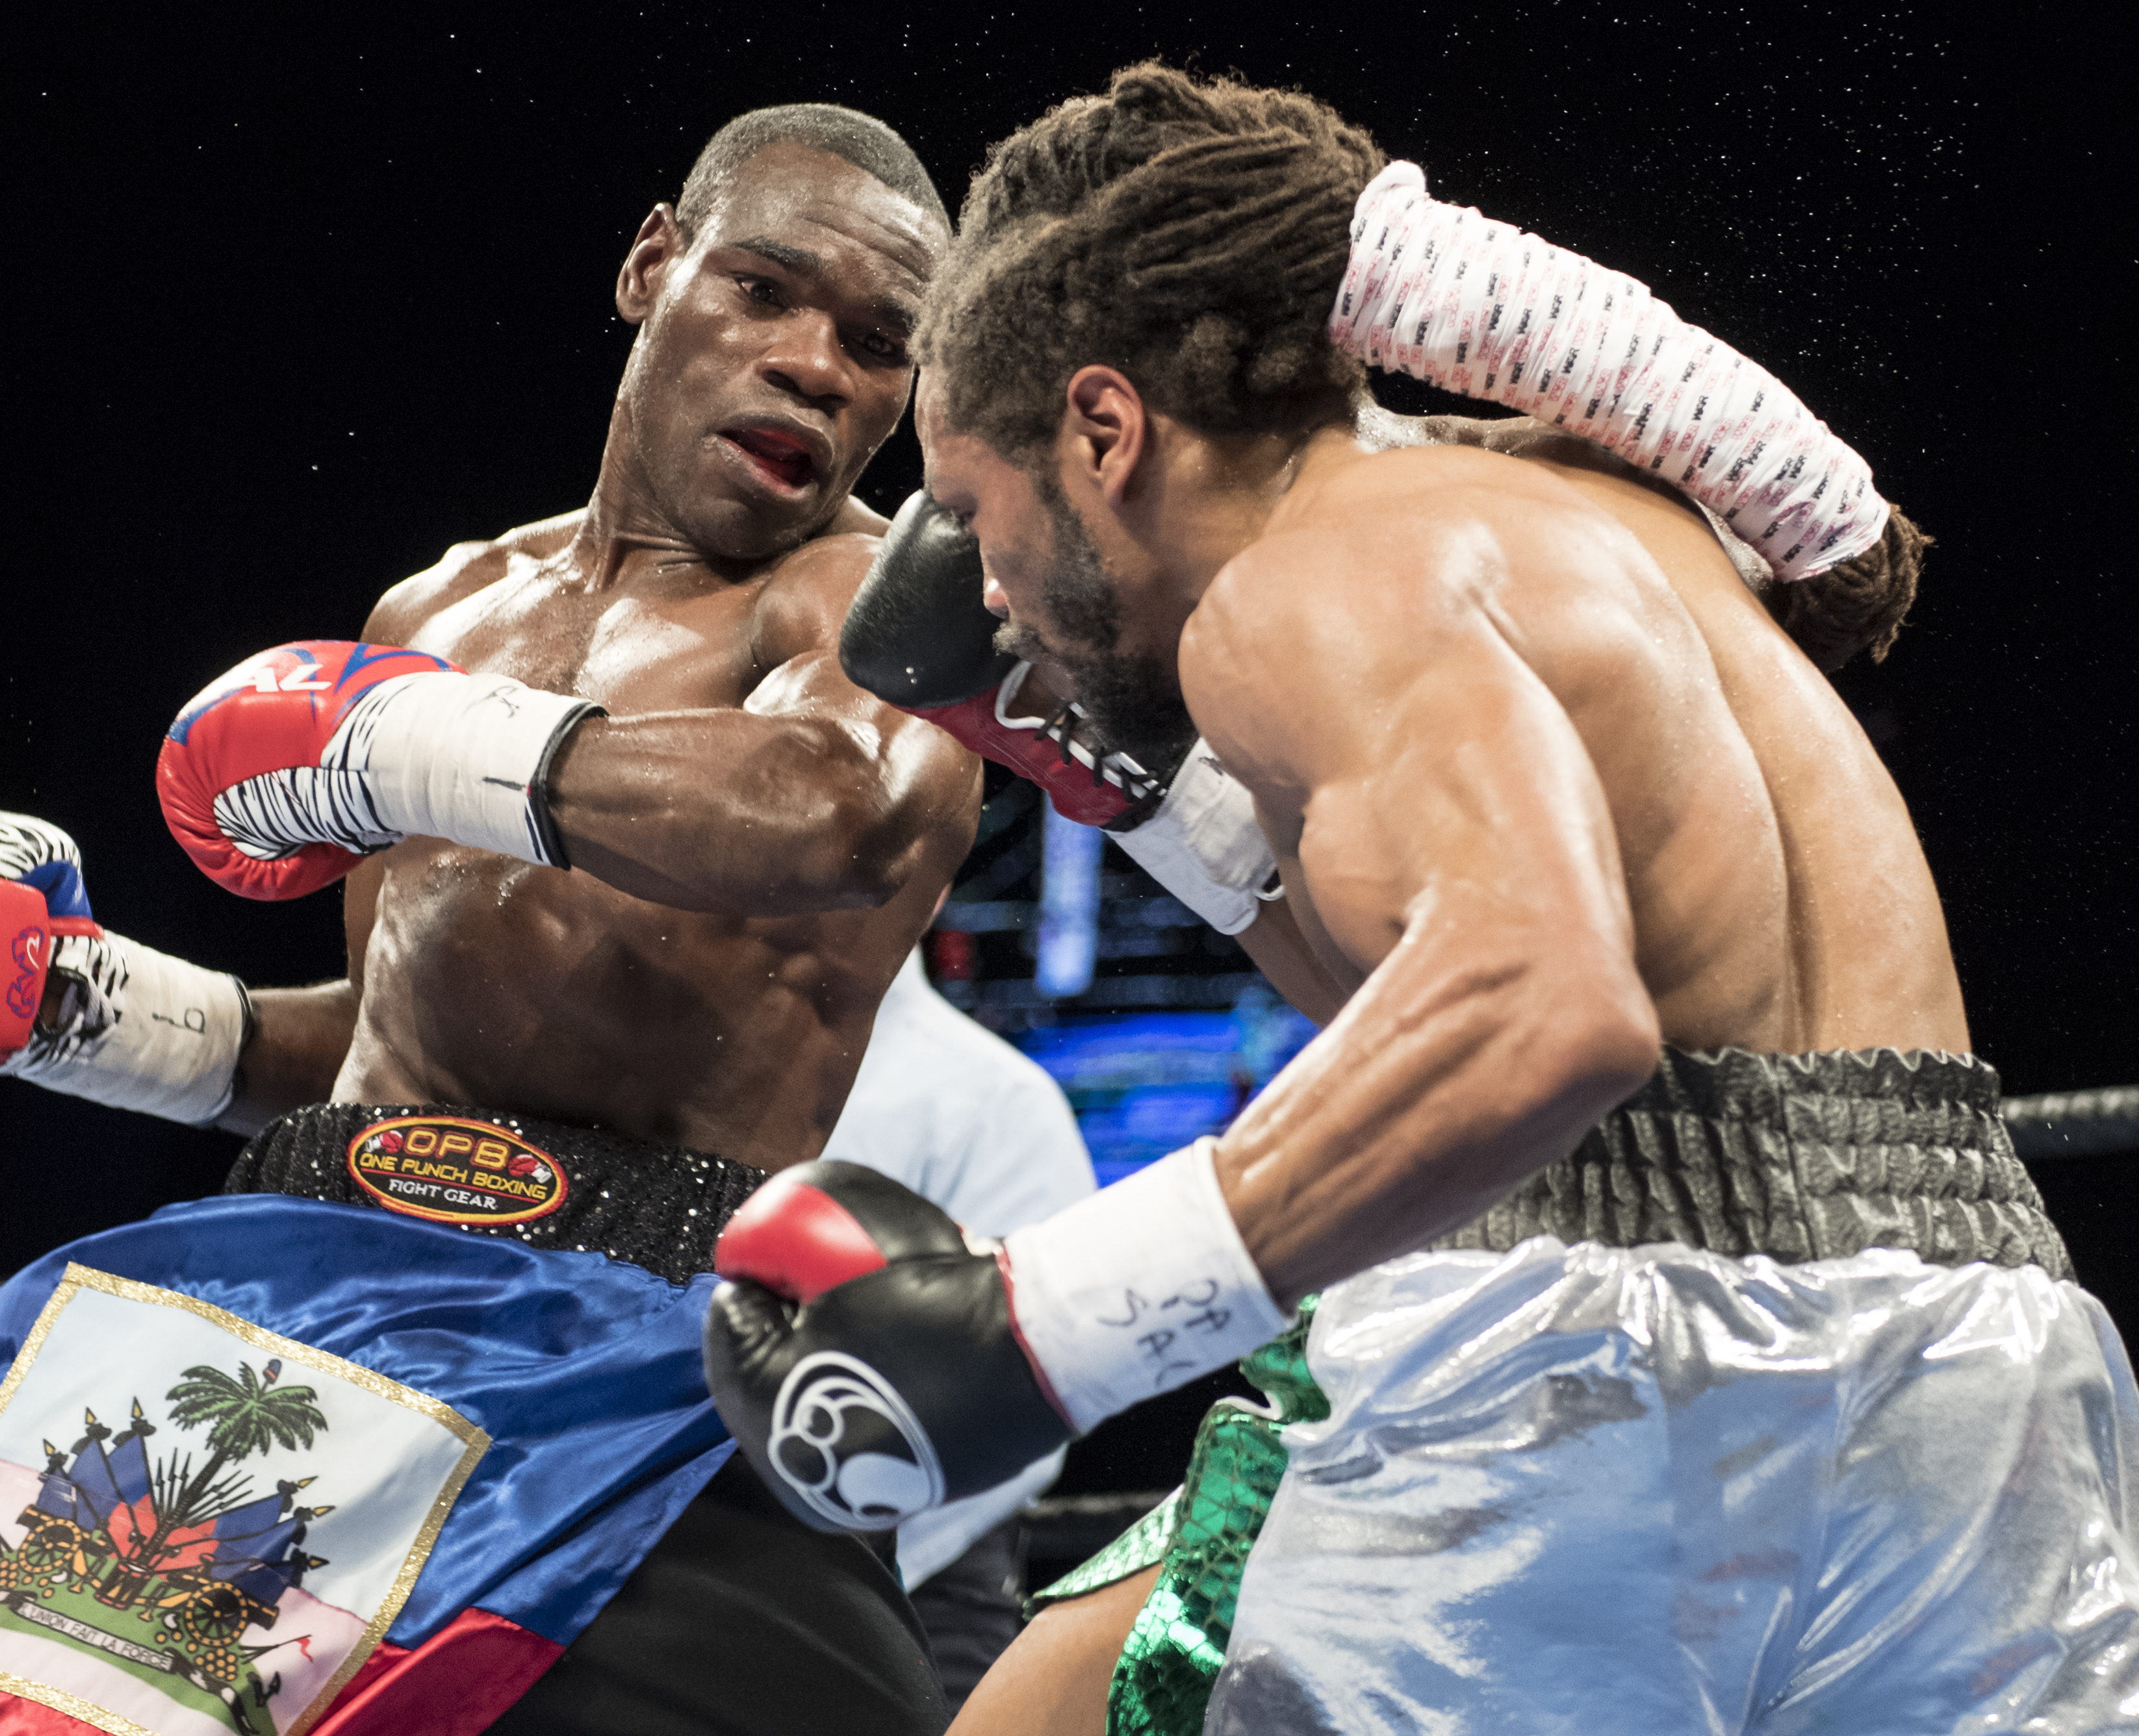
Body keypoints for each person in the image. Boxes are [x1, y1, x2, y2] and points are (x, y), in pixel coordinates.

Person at [699, 64, 2137, 1736]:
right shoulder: (1601, 514)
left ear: (1102, 429)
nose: (990, 589)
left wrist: (1045, 1328)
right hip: (1981, 1356)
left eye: (969, 508)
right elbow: (1475, 988)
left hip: (1603, 1374)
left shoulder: (1296, 585)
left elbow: (1540, 1014)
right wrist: (1135, 790)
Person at [0, 105, 980, 1736]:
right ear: (651, 264)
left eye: (875, 344)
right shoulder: (437, 609)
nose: (814, 366)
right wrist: (89, 1011)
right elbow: (394, 1025)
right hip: (312, 1258)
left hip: (625, 1323)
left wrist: (406, 736)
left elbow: (841, 814)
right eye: (765, 291)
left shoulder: (874, 612)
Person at [821, 925, 1098, 1709]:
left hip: (917, 1590)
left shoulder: (995, 1098)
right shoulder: (662, 1071)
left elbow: (1027, 1391)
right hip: (678, 1568)